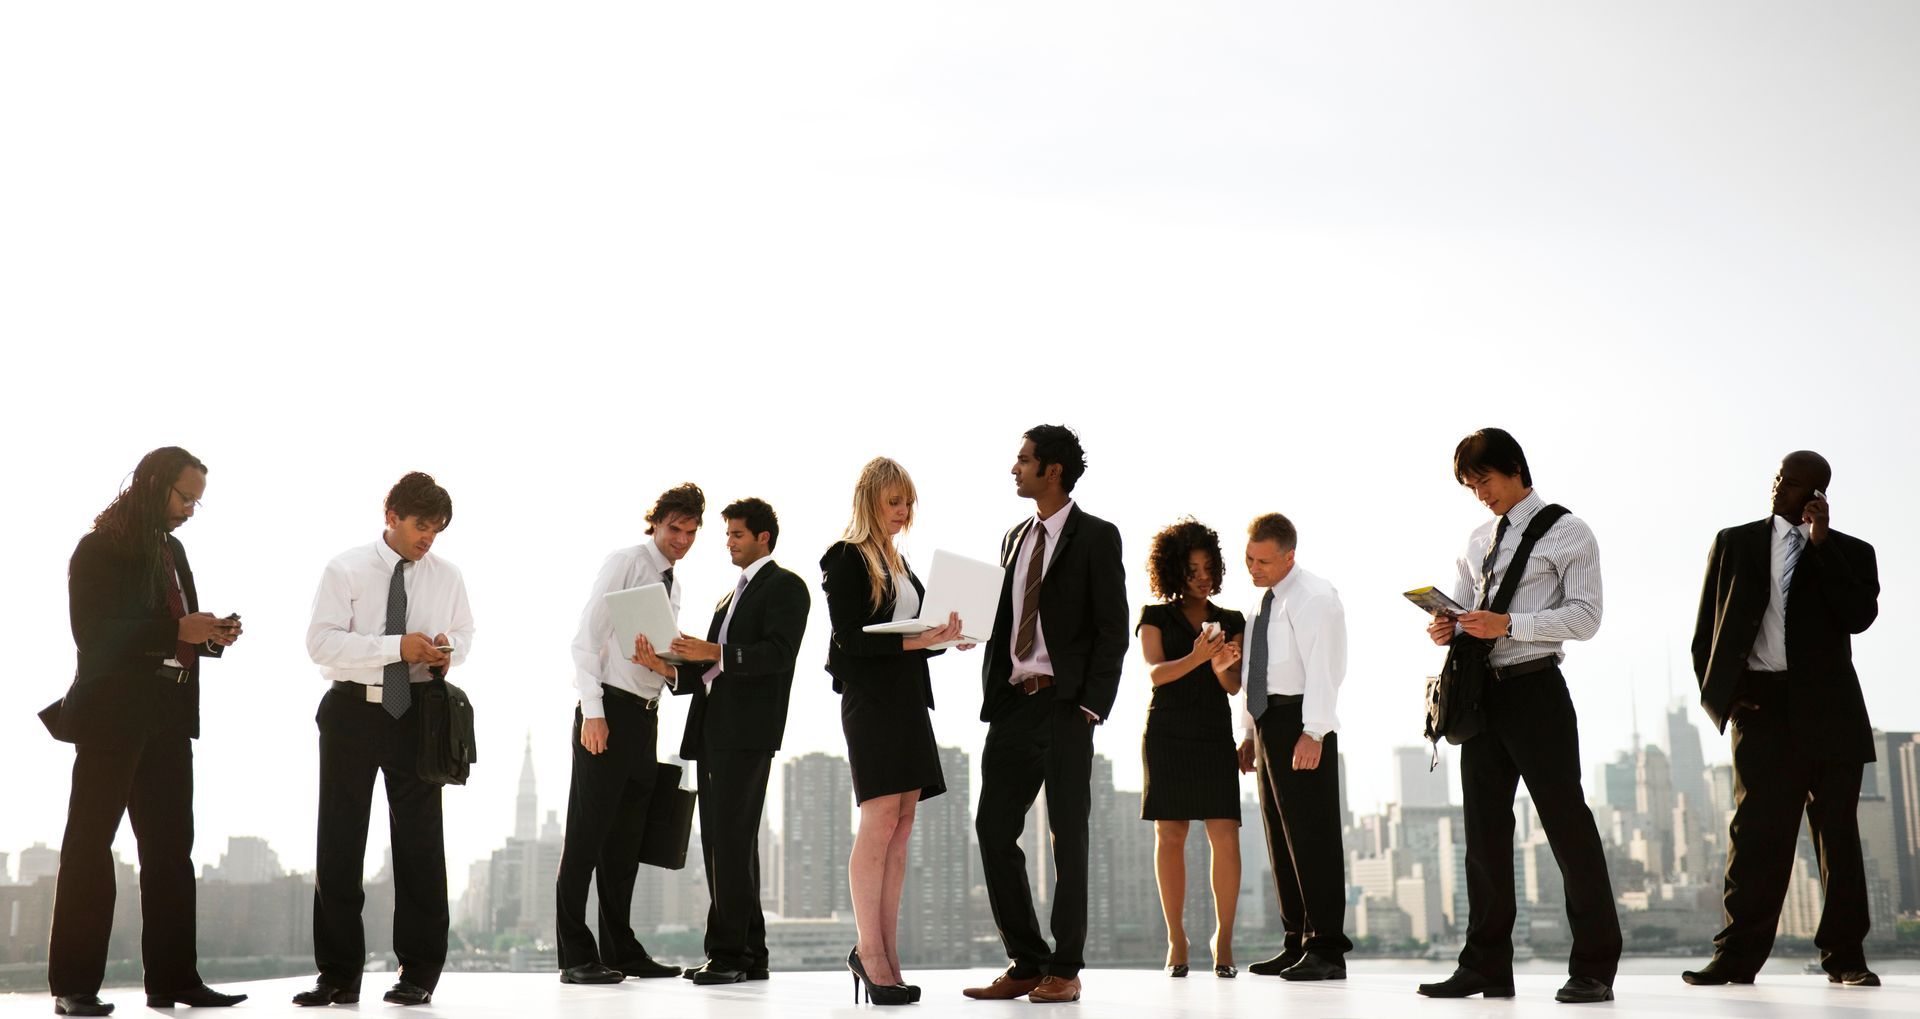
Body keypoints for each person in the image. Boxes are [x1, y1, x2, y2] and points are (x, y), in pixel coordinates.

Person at [1416, 428, 1619, 1005]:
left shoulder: (1569, 531)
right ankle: (1485, 967)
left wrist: (1510, 626)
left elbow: (1585, 617)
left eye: (1484, 479)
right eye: (1469, 485)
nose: (1479, 493)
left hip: (1536, 690)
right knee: (1483, 835)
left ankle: (1595, 968)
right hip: (1481, 695)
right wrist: (1446, 626)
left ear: (1514, 468)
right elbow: (1461, 609)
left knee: (1567, 827)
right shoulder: (1478, 537)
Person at [45, 447, 246, 1017]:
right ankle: (74, 988)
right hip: (111, 717)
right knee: (89, 848)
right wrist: (176, 627)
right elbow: (94, 636)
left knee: (169, 853)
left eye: (195, 502)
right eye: (184, 497)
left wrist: (210, 636)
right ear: (154, 484)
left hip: (169, 716)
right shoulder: (98, 548)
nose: (188, 510)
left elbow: (177, 627)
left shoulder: (173, 549)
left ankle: (174, 981)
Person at [1684, 451, 1880, 987]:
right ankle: (1736, 958)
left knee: (1837, 839)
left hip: (1832, 711)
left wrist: (1821, 545)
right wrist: (1724, 697)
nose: (1780, 489)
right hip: (1762, 708)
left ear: (1818, 495)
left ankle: (1846, 959)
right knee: (1755, 838)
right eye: (1779, 479)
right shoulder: (1734, 543)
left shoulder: (1851, 553)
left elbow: (1858, 616)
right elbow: (1708, 631)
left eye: (1795, 485)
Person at [297, 472, 474, 1007]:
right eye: (422, 526)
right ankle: (338, 976)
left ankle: (419, 974)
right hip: (352, 711)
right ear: (390, 516)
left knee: (421, 847)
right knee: (339, 845)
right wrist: (398, 647)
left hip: (418, 714)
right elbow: (322, 645)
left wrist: (447, 649)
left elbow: (465, 634)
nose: (429, 539)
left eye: (438, 529)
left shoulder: (448, 576)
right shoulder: (345, 568)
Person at [966, 425, 1128, 1004]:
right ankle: (1027, 960)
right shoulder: (1013, 537)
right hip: (1012, 704)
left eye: (1023, 459)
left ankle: (1067, 966)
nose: (1014, 468)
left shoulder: (1096, 537)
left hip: (1065, 707)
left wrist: (1090, 705)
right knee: (992, 829)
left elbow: (1114, 630)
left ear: (1052, 470)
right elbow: (1005, 618)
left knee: (1068, 837)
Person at [822, 458, 969, 1007]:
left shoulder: (900, 563)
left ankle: (884, 950)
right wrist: (916, 642)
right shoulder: (845, 558)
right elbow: (851, 641)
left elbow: (915, 631)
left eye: (908, 502)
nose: (903, 512)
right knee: (880, 819)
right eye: (893, 502)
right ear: (870, 501)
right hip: (873, 704)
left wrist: (949, 636)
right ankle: (871, 951)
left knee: (903, 826)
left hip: (908, 702)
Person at [555, 482, 705, 984]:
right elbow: (584, 640)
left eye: (690, 532)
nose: (681, 540)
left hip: (645, 716)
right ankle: (576, 955)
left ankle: (619, 949)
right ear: (656, 523)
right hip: (608, 715)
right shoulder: (625, 562)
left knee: (625, 842)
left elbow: (657, 659)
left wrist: (664, 667)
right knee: (586, 837)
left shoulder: (674, 586)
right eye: (673, 529)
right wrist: (592, 712)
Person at [668, 498, 811, 985]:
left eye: (736, 535)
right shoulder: (727, 600)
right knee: (728, 843)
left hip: (747, 734)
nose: (727, 542)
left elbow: (777, 654)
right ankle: (750, 953)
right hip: (713, 731)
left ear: (763, 538)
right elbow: (709, 670)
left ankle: (728, 956)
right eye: (727, 535)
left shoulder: (787, 587)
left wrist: (717, 651)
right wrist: (667, 665)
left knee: (728, 842)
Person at [1235, 512, 1352, 981]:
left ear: (1290, 556)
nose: (1254, 568)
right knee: (1281, 839)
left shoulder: (1315, 598)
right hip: (1268, 724)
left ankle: (1326, 949)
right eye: (1249, 558)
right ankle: (1296, 940)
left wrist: (1315, 730)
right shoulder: (1264, 604)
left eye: (1263, 560)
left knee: (1313, 835)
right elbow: (1254, 673)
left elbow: (1326, 667)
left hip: (1302, 720)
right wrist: (1247, 733)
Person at [1134, 519, 1244, 979]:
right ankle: (1176, 937)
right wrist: (1198, 657)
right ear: (1173, 570)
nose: (1202, 576)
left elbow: (1233, 686)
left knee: (1225, 832)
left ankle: (1224, 939)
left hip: (1213, 732)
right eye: (1191, 567)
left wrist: (1220, 663)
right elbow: (1156, 673)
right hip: (1167, 732)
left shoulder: (1234, 620)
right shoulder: (1153, 616)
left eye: (1208, 567)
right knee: (1171, 835)